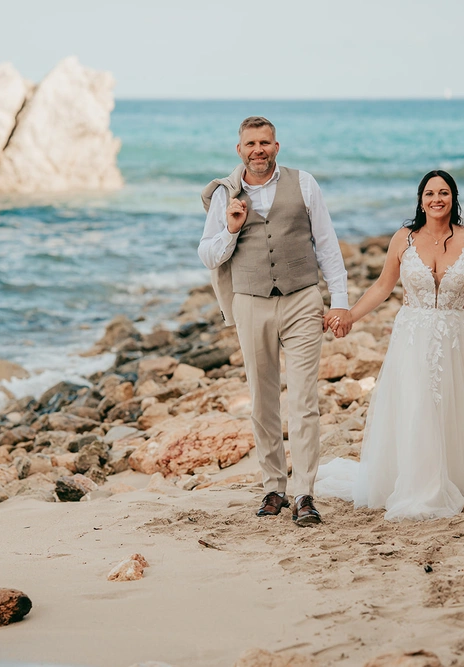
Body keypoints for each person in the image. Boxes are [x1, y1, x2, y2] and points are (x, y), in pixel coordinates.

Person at [318, 170, 464, 521]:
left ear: (453, 198)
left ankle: (453, 476)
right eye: (430, 193)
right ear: (421, 200)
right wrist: (350, 316)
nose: (437, 199)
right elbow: (382, 286)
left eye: (443, 193)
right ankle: (422, 486)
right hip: (413, 337)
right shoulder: (403, 239)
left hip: (456, 337)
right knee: (418, 406)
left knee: (451, 407)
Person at [198, 116, 350, 526]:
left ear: (276, 147)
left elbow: (327, 245)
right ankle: (273, 487)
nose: (258, 150)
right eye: (250, 144)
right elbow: (208, 254)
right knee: (262, 400)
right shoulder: (225, 195)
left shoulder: (304, 184)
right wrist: (231, 229)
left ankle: (304, 494)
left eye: (265, 142)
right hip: (251, 303)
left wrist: (339, 301)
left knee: (303, 401)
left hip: (302, 299)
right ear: (239, 150)